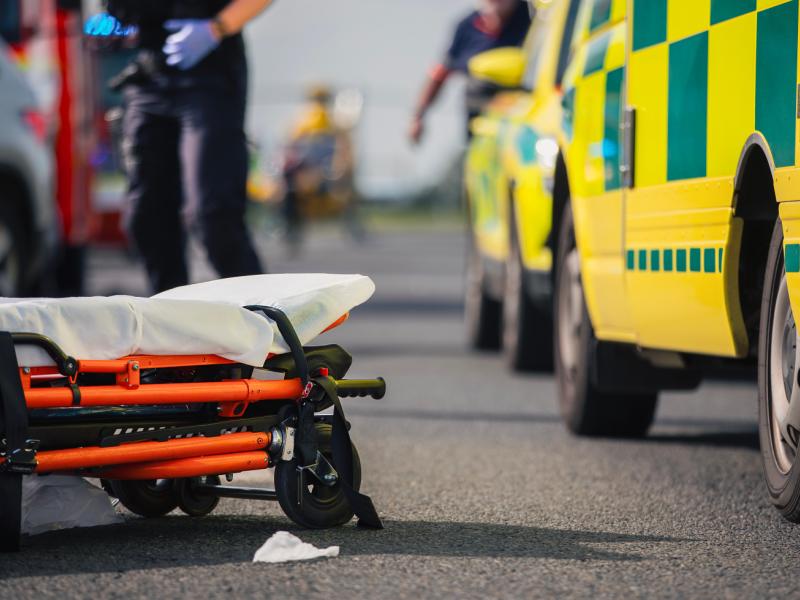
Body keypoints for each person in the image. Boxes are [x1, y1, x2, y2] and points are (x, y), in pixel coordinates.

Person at [105, 0, 271, 293]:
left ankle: (270, 318)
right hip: (148, 74)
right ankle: (171, 317)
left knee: (212, 215)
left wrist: (217, 28)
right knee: (146, 216)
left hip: (210, 73)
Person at [409, 0, 531, 144]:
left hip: (525, 118)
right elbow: (439, 74)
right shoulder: (466, 27)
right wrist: (418, 117)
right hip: (481, 124)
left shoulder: (534, 16)